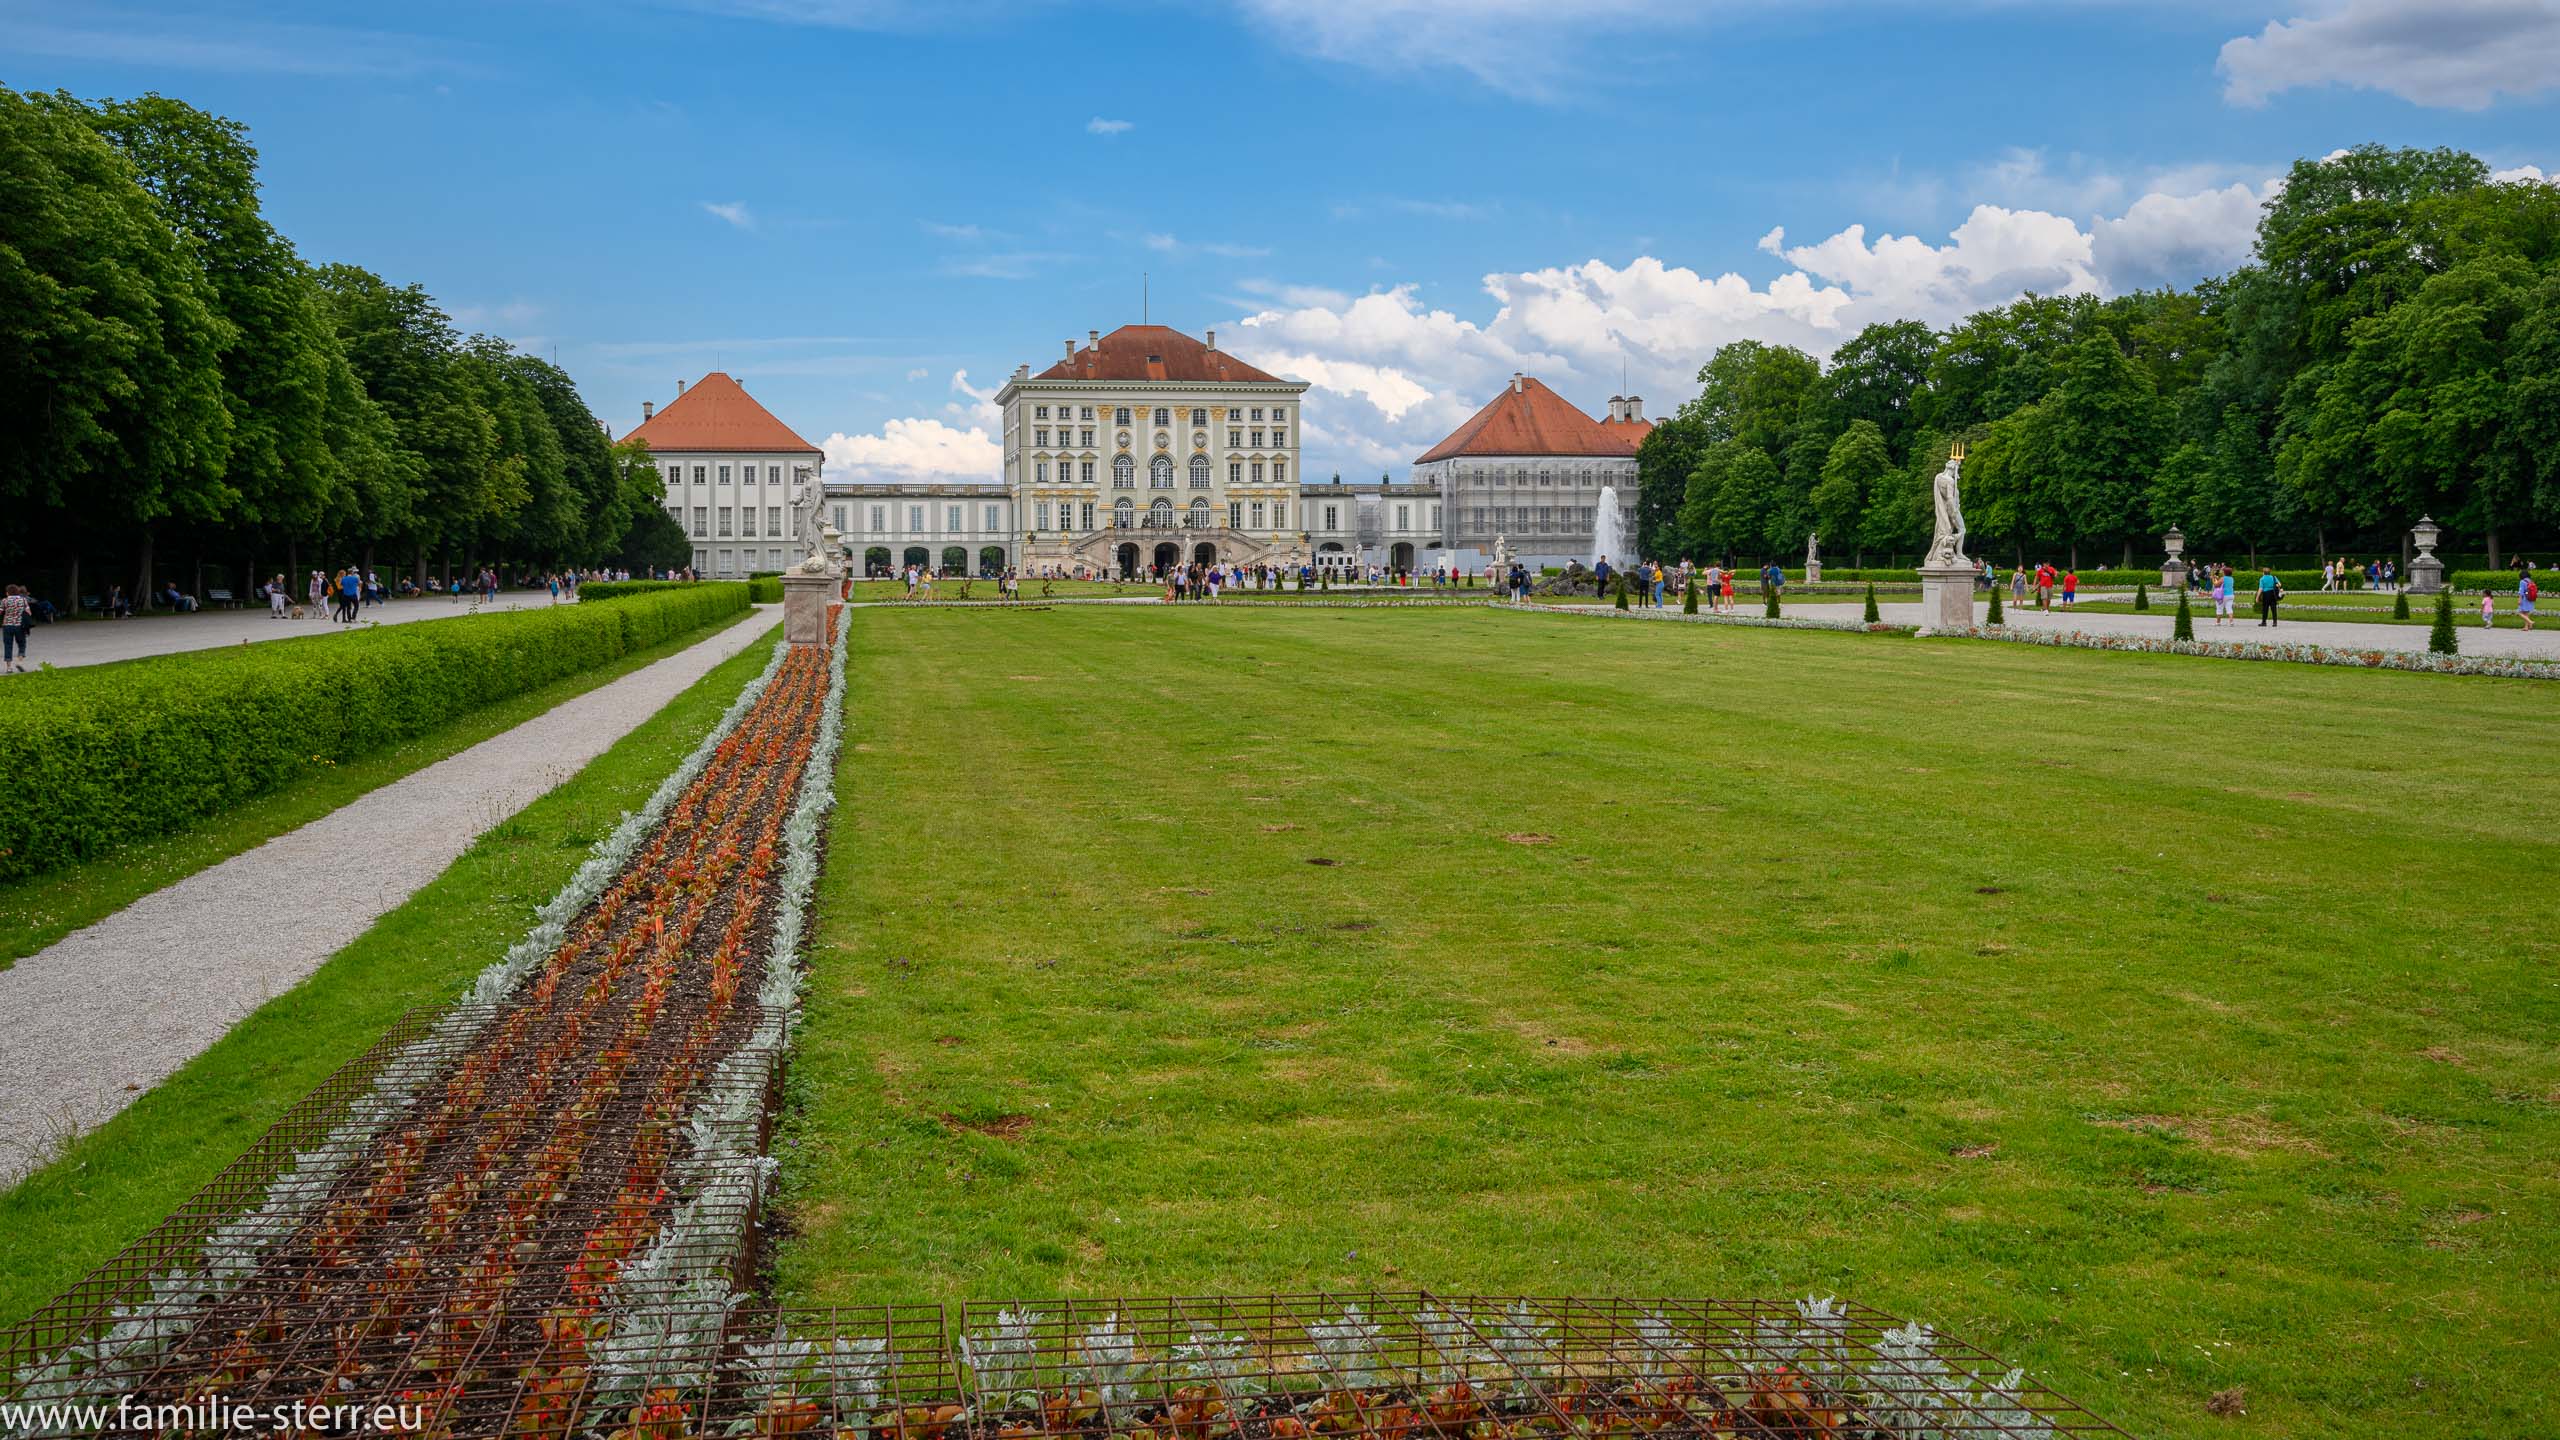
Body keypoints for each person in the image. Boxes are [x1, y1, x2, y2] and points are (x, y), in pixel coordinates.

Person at [2, 583, 30, 672]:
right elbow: (29, 613)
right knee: (22, 644)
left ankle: (9, 668)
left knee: (8, 645)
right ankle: (19, 662)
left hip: (7, 626)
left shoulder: (4, 601)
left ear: (7, 593)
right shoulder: (23, 600)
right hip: (20, 626)